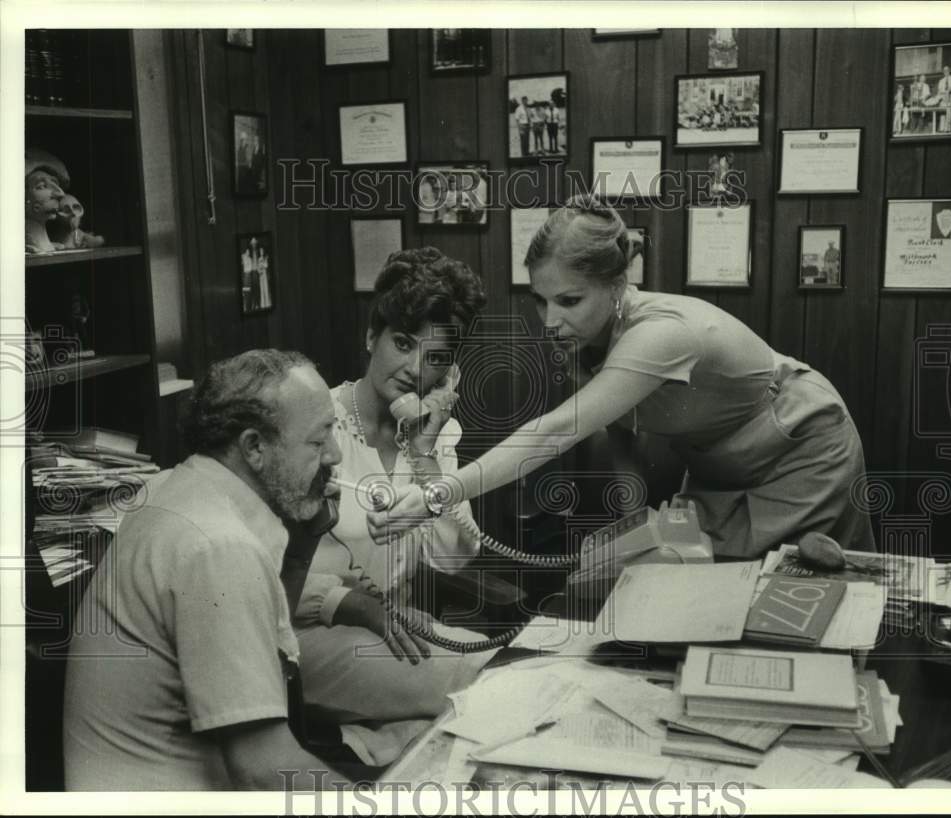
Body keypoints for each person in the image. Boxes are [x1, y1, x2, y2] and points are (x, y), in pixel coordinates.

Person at [371, 196, 876, 561]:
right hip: (721, 465)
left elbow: (550, 433)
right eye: (541, 300)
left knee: (807, 587)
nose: (549, 321)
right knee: (684, 581)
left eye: (569, 301)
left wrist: (440, 493)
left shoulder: (659, 335)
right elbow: (621, 432)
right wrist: (631, 526)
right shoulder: (586, 334)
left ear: (618, 284)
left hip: (799, 447)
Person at [62, 350, 358, 790]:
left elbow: (265, 649)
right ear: (254, 447)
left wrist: (302, 545)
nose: (334, 455)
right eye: (318, 442)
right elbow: (263, 767)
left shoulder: (174, 488)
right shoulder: (218, 547)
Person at [293, 247, 495, 765]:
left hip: (390, 626)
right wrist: (353, 604)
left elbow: (454, 557)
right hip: (303, 634)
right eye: (402, 343)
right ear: (370, 337)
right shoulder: (316, 427)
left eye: (435, 358)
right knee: (479, 684)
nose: (412, 369)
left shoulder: (431, 437)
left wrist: (426, 457)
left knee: (501, 665)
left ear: (449, 373)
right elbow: (257, 574)